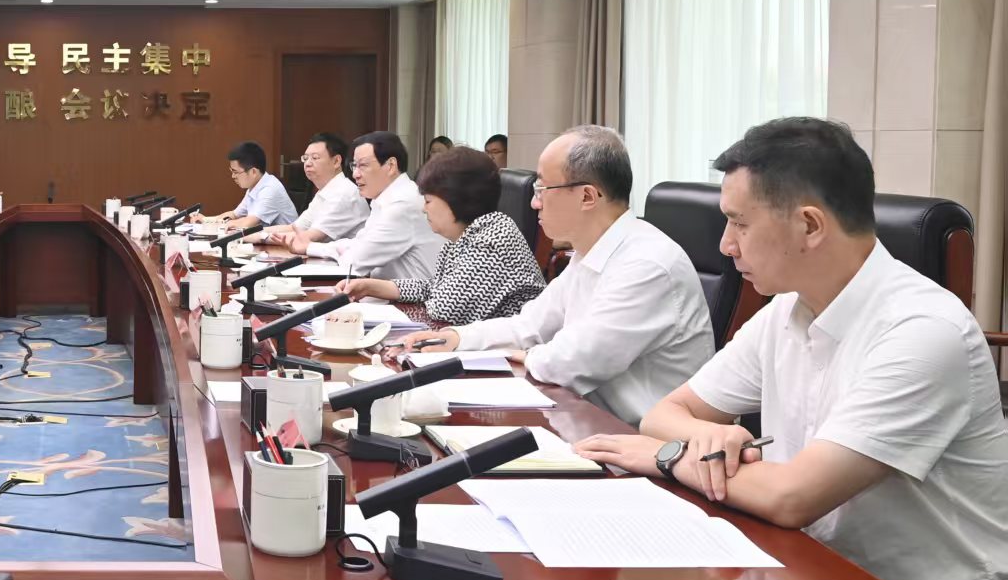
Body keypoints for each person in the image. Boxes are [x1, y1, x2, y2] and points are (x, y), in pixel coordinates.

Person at [578, 118, 1008, 580]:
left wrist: (668, 456)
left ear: (809, 226)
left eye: (739, 224)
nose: (726, 245)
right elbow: (666, 413)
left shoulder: (923, 332)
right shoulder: (787, 308)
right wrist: (703, 437)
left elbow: (792, 497)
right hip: (815, 579)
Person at [389, 125, 712, 424]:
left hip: (635, 439)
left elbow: (571, 362)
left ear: (587, 196)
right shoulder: (590, 253)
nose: (534, 203)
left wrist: (518, 355)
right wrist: (458, 338)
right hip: (581, 415)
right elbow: (530, 324)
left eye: (543, 189)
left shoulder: (647, 264)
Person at [338, 145, 545, 322]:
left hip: (509, 351)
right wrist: (370, 287)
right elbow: (433, 287)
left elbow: (444, 308)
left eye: (428, 201)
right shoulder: (464, 235)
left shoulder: (493, 238)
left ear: (456, 200)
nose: (423, 209)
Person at [293, 131, 441, 283]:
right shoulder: (385, 199)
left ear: (391, 166)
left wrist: (311, 247)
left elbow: (355, 261)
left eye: (363, 165)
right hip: (386, 291)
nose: (355, 174)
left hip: (411, 297)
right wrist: (311, 247)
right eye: (354, 166)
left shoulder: (402, 204)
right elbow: (360, 243)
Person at [265, 133, 367, 247]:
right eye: (305, 158)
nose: (307, 163)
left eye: (315, 158)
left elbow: (308, 237)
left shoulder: (344, 193)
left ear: (336, 161)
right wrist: (255, 232)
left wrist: (258, 237)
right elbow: (295, 228)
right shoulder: (325, 191)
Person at [198, 141, 296, 230]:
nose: (233, 176)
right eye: (231, 171)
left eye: (235, 172)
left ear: (253, 172)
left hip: (286, 243)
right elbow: (234, 215)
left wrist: (221, 225)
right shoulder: (254, 186)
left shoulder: (270, 189)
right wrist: (206, 220)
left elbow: (249, 223)